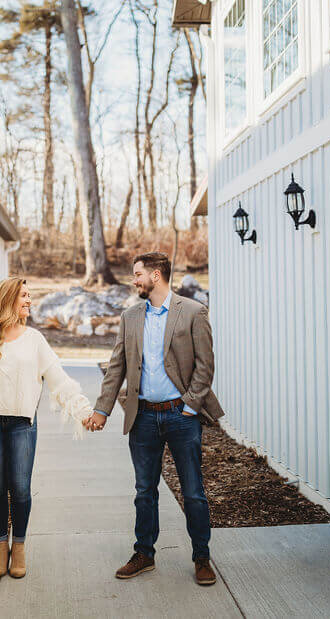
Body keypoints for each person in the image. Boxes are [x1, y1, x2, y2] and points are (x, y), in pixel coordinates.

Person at [83, 251, 224, 586]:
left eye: (137, 274)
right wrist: (102, 409)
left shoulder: (192, 312)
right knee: (144, 490)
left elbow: (205, 365)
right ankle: (144, 553)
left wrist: (190, 406)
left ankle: (202, 557)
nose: (134, 280)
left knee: (193, 492)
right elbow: (117, 365)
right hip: (143, 417)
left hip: (181, 416)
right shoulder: (131, 316)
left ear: (156, 275)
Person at [0, 277, 93, 579]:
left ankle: (20, 546)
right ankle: (1, 547)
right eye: (24, 296)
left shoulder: (34, 339)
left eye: (29, 296)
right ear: (8, 299)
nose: (29, 301)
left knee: (21, 488)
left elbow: (58, 378)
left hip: (22, 424)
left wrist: (83, 410)